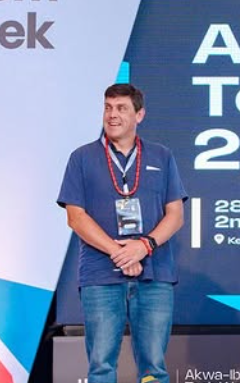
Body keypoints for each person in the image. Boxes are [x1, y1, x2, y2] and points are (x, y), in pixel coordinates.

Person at [57, 83, 187, 383]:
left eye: (121, 108)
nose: (112, 115)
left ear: (139, 115)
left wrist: (144, 246)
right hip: (101, 275)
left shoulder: (162, 156)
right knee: (101, 366)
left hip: (154, 274)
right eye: (108, 108)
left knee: (154, 368)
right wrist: (119, 252)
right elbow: (76, 217)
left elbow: (175, 215)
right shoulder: (82, 157)